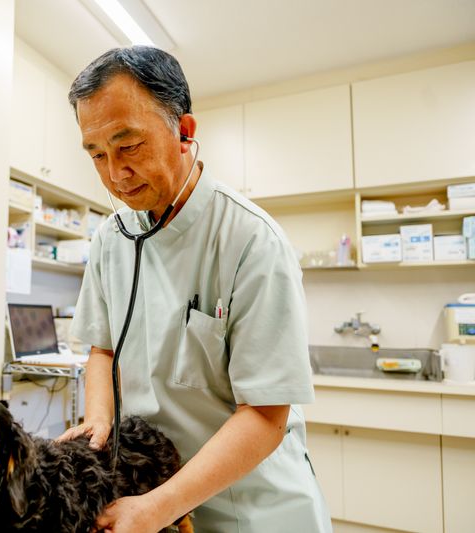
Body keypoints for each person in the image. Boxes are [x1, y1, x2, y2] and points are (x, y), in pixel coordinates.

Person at [58, 46, 332, 532]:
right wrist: (98, 420)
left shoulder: (251, 241)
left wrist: (158, 507)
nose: (114, 174)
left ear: (184, 132)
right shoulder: (110, 238)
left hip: (250, 509)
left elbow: (265, 414)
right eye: (97, 154)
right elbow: (103, 348)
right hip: (151, 498)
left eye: (129, 146)